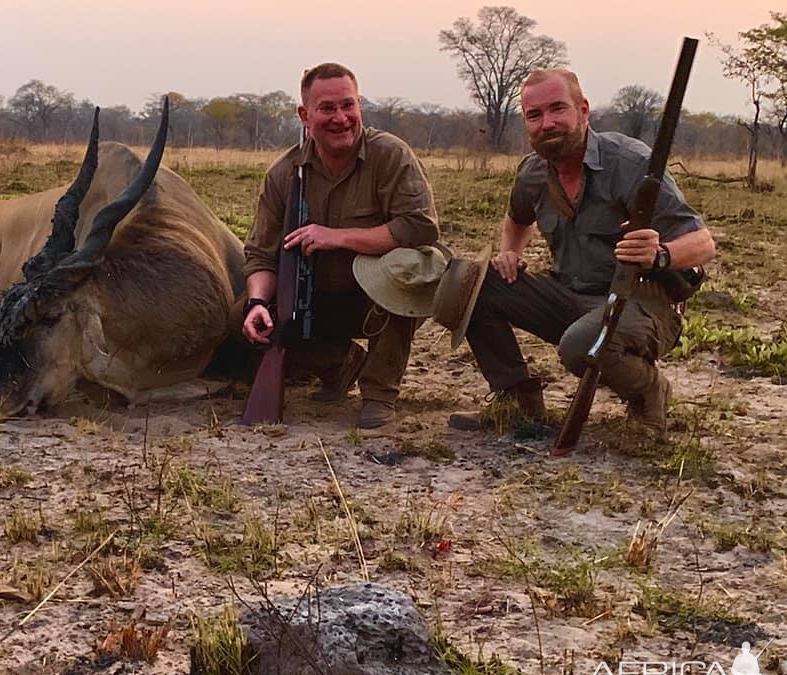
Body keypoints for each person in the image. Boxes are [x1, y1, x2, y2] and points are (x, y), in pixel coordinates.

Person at [448, 68, 715, 437]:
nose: (547, 123)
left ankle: (649, 392)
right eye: (534, 115)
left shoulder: (631, 162)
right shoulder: (533, 172)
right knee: (470, 284)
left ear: (584, 110)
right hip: (569, 296)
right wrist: (509, 252)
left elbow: (702, 242)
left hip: (642, 305)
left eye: (558, 109)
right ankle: (517, 398)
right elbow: (517, 218)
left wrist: (661, 254)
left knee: (582, 344)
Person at [240, 62, 440, 428]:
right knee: (248, 314)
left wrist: (336, 237)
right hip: (314, 298)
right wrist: (256, 303)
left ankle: (380, 392)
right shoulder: (283, 174)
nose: (341, 118)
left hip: (377, 299)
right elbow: (261, 255)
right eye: (327, 108)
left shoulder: (390, 155)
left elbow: (421, 227)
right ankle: (340, 362)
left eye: (348, 106)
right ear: (305, 115)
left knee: (406, 268)